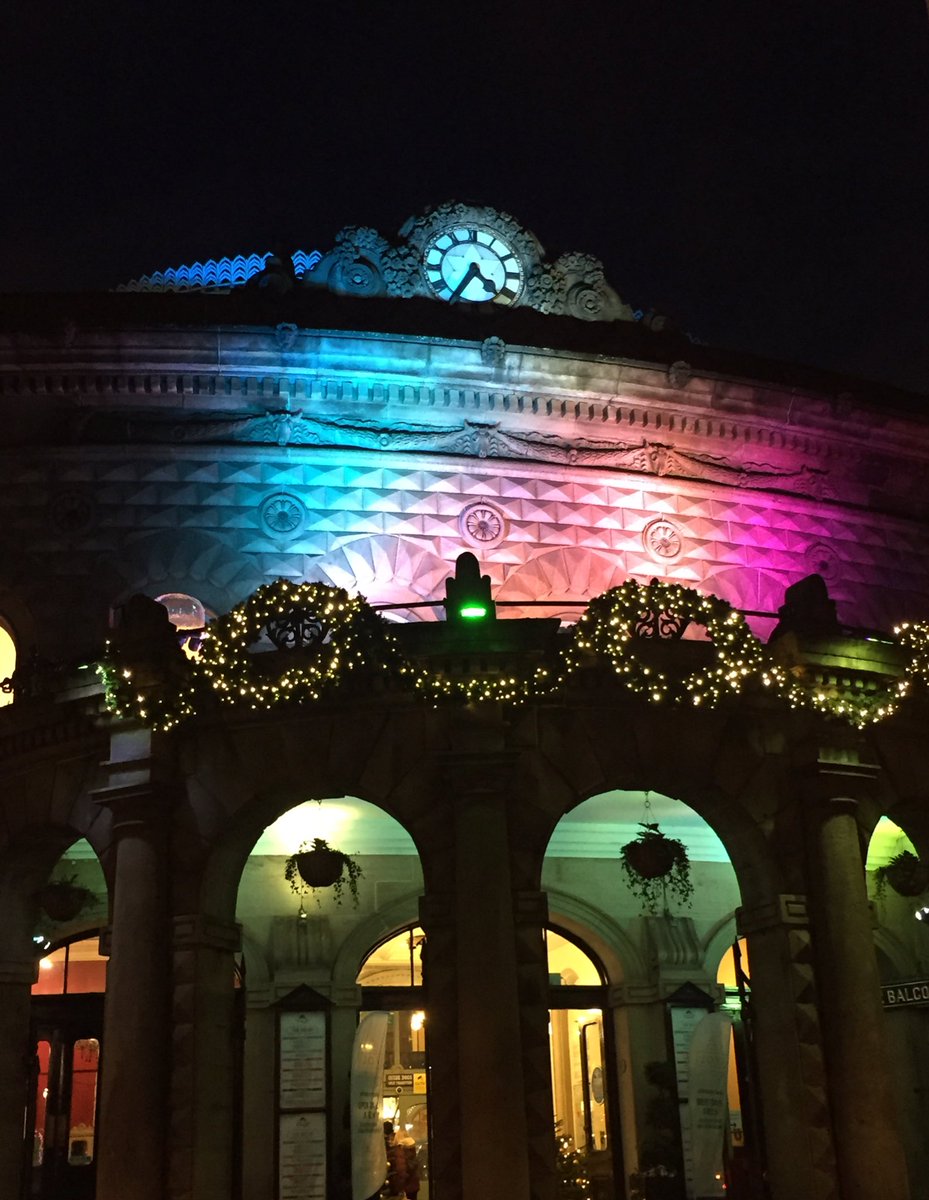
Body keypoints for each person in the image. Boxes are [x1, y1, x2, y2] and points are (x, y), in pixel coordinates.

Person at [386, 1131, 420, 1200]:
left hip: (406, 1185)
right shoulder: (411, 1148)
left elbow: (402, 1168)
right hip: (414, 1183)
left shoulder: (400, 1150)